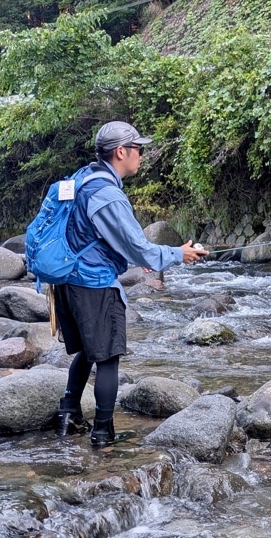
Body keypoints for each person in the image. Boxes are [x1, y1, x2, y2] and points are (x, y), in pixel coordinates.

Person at [53, 120, 209, 447]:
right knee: (108, 357)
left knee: (87, 351)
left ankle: (68, 415)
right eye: (138, 148)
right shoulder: (107, 195)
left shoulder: (81, 178)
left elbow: (92, 236)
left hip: (64, 281)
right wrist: (179, 254)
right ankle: (102, 434)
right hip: (93, 284)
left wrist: (151, 255)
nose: (141, 154)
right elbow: (139, 248)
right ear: (121, 152)